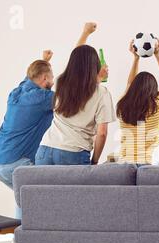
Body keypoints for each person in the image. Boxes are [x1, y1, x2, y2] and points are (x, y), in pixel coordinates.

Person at [36, 22, 115, 166]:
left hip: (45, 149)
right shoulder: (102, 93)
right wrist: (95, 161)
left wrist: (85, 33)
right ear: (95, 66)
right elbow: (102, 133)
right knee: (78, 190)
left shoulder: (61, 82)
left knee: (42, 190)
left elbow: (78, 62)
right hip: (74, 152)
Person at [0, 50, 55, 219]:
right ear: (45, 79)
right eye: (52, 77)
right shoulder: (42, 97)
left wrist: (44, 61)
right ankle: (24, 240)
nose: (53, 81)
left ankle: (20, 241)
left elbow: (30, 77)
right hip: (16, 163)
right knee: (47, 196)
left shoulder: (17, 92)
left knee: (26, 198)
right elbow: (70, 92)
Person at [117, 38, 159, 165]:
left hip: (125, 164)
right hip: (149, 164)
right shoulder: (157, 106)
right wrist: (157, 55)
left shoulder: (121, 104)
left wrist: (136, 58)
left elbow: (130, 83)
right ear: (153, 90)